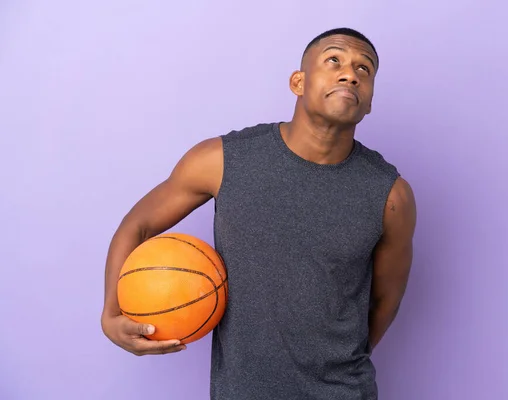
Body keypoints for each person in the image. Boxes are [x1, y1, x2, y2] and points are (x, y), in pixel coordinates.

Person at [101, 27, 417, 400]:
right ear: (298, 82)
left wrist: (336, 363)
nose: (350, 73)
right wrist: (111, 315)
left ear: (369, 103)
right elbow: (137, 225)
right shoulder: (221, 161)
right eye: (334, 60)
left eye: (364, 70)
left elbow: (384, 302)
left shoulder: (391, 196)